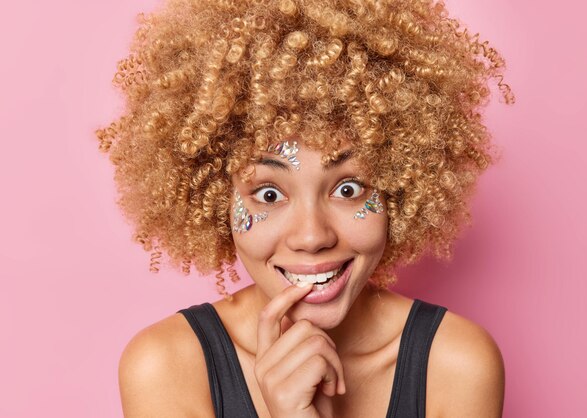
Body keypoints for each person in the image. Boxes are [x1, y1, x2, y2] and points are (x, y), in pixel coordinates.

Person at [97, 0, 513, 416]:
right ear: (215, 198)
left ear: (399, 189)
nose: (312, 237)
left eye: (348, 188)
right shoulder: (167, 366)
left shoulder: (456, 363)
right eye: (269, 195)